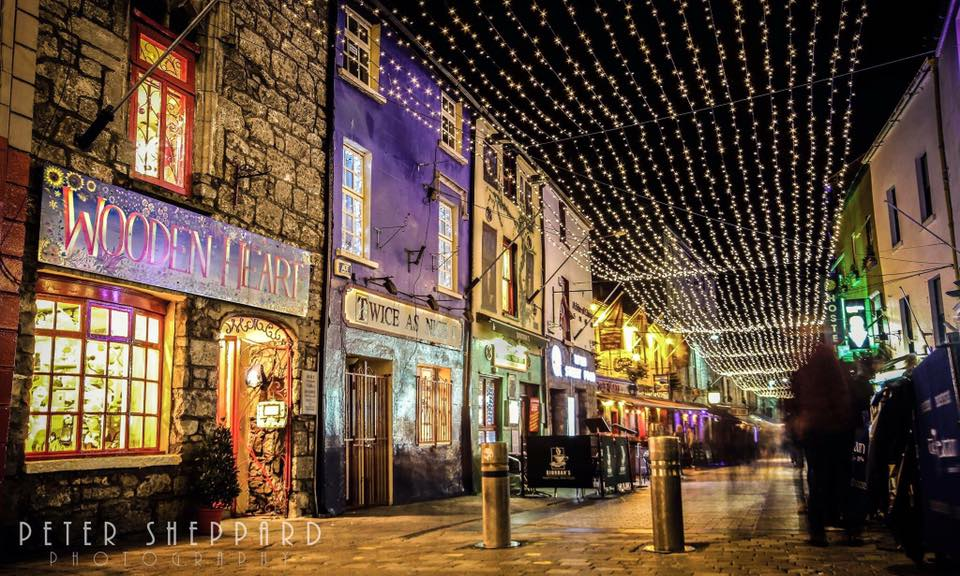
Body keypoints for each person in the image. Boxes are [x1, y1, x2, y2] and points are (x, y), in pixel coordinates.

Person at [789, 343, 857, 546]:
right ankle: (848, 528)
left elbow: (797, 399)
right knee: (840, 478)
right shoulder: (833, 366)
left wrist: (801, 421)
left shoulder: (807, 366)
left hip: (817, 430)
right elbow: (845, 396)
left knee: (819, 480)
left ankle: (819, 530)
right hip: (835, 430)